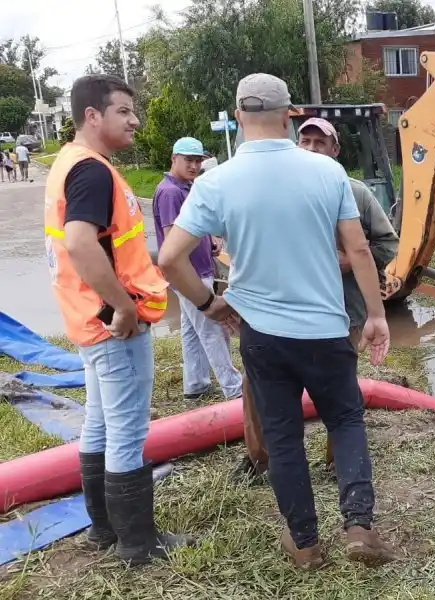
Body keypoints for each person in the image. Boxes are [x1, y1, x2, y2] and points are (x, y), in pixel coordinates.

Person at [158, 73, 398, 570]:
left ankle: (305, 544)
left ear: (239, 116)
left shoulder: (214, 181)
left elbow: (169, 258)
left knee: (284, 434)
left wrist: (207, 304)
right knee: (347, 419)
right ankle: (358, 527)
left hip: (262, 334)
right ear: (289, 115)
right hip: (327, 328)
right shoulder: (327, 174)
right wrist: (375, 314)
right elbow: (358, 248)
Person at [43, 74, 194, 565]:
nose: (135, 120)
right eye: (124, 111)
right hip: (114, 324)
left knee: (100, 425)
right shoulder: (93, 171)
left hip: (88, 321)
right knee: (126, 432)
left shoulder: (71, 163)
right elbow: (82, 242)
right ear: (93, 115)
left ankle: (104, 530)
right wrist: (125, 306)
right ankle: (138, 544)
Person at [234, 117, 399, 480]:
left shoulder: (355, 193)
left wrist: (343, 262)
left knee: (338, 391)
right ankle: (260, 460)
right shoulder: (279, 191)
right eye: (305, 141)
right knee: (259, 388)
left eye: (319, 143)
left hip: (341, 312)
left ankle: (338, 462)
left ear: (335, 150)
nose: (311, 148)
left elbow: (387, 246)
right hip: (283, 311)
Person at [152, 137, 243, 400]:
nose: (193, 166)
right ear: (174, 159)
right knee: (214, 330)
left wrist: (210, 241)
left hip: (197, 270)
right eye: (188, 160)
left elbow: (195, 226)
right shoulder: (170, 192)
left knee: (192, 332)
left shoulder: (186, 187)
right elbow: (173, 240)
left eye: (197, 161)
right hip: (189, 274)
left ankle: (196, 383)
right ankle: (233, 388)